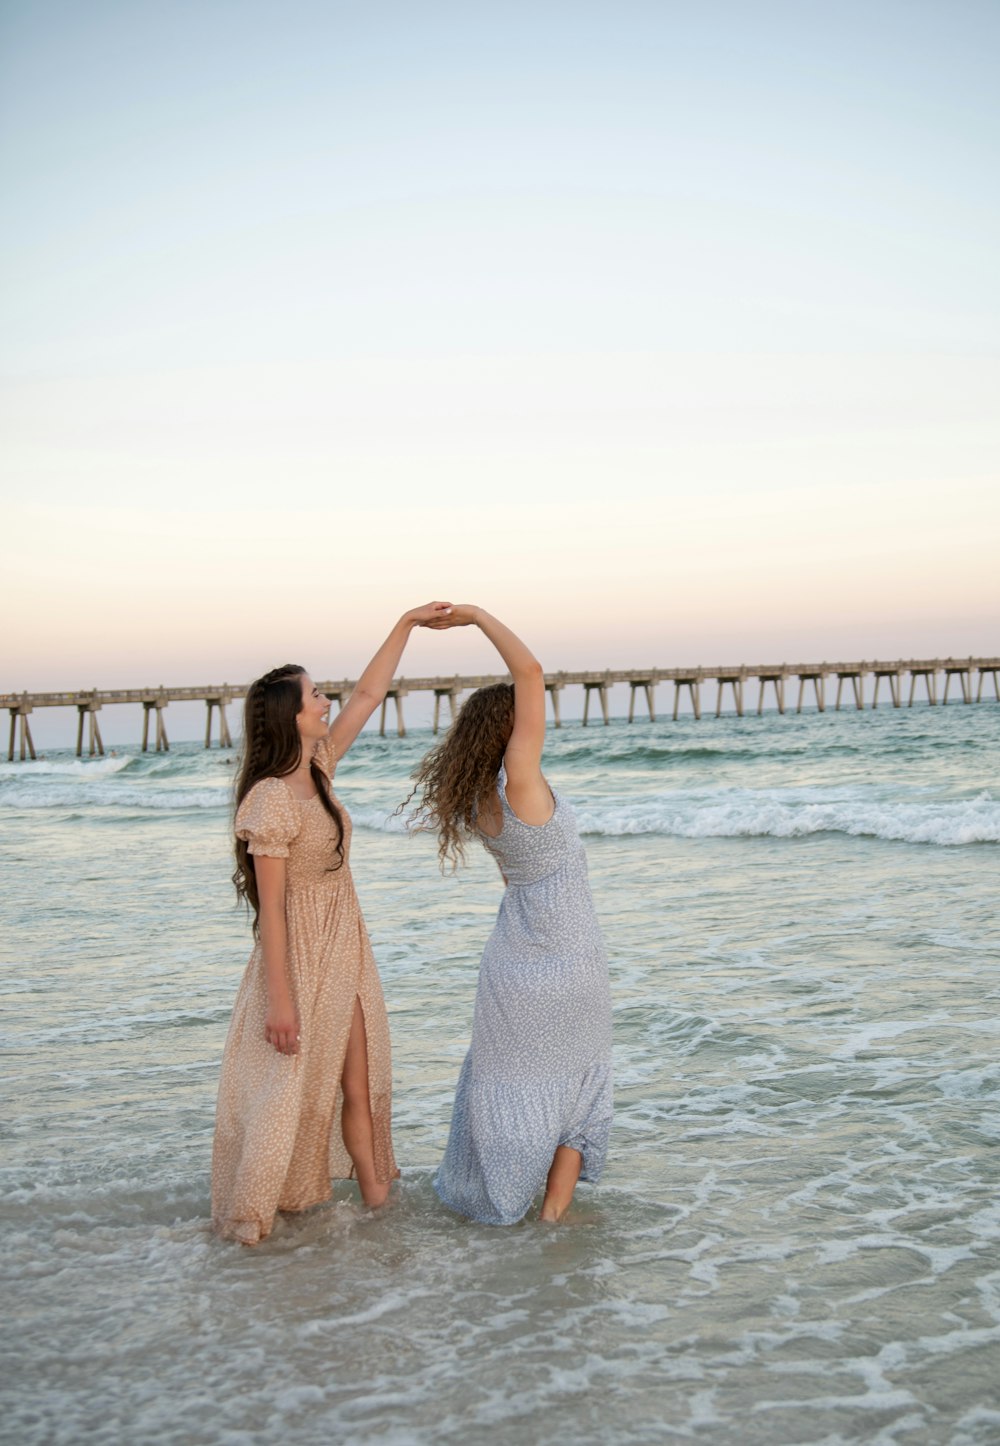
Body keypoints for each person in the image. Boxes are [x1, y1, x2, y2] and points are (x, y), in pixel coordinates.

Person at [211, 601, 452, 1244]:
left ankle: (381, 1213)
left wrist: (406, 624)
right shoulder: (269, 797)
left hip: (345, 941)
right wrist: (281, 1003)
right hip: (299, 956)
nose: (327, 700)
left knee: (360, 1077)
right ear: (291, 715)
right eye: (315, 694)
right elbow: (274, 912)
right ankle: (250, 1227)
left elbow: (372, 693)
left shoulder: (318, 771)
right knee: (287, 1091)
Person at [405, 606, 613, 1224]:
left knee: (509, 1087)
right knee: (579, 1089)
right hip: (568, 960)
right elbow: (530, 669)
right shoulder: (521, 782)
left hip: (511, 963)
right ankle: (549, 1223)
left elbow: (514, 877)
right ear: (512, 731)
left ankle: (500, 1202)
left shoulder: (478, 802)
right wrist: (475, 617)